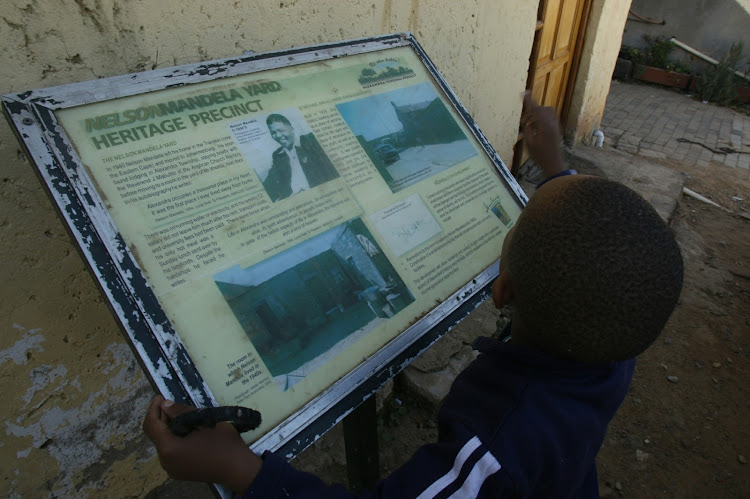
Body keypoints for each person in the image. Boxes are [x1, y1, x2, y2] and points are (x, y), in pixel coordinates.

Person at [143, 94, 684, 497]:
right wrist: (556, 166)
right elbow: (588, 250)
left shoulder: (490, 454)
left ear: (501, 290)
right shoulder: (612, 346)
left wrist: (238, 470)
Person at [262, 113, 339, 202]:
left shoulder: (311, 141)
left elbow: (332, 171)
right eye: (273, 133)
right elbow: (270, 182)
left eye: (281, 130)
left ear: (291, 128)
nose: (278, 135)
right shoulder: (277, 155)